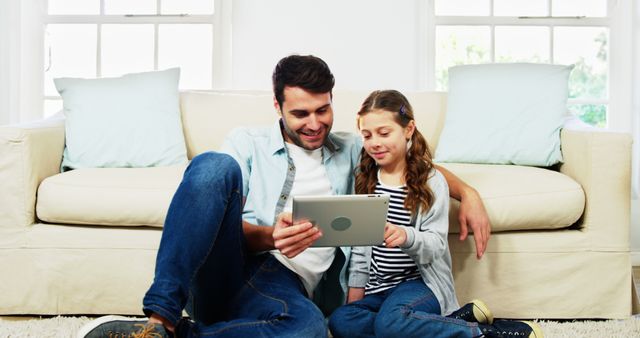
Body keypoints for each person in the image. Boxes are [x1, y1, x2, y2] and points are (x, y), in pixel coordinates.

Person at [77, 56, 491, 338]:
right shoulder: (247, 142)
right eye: (300, 114)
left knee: (309, 329)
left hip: (285, 288)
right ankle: (160, 318)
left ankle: (178, 335)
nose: (314, 124)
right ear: (277, 106)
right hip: (236, 266)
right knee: (213, 166)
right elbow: (213, 219)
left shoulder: (351, 148)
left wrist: (466, 192)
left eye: (323, 110)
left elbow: (407, 158)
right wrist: (270, 237)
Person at [327, 89, 542, 338]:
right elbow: (361, 250)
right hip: (379, 290)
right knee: (342, 321)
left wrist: (407, 236)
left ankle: (483, 333)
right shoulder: (365, 179)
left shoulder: (431, 181)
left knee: (391, 323)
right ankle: (448, 323)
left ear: (408, 130)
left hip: (419, 286)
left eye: (384, 133)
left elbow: (436, 245)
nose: (374, 142)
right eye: (367, 135)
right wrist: (355, 301)